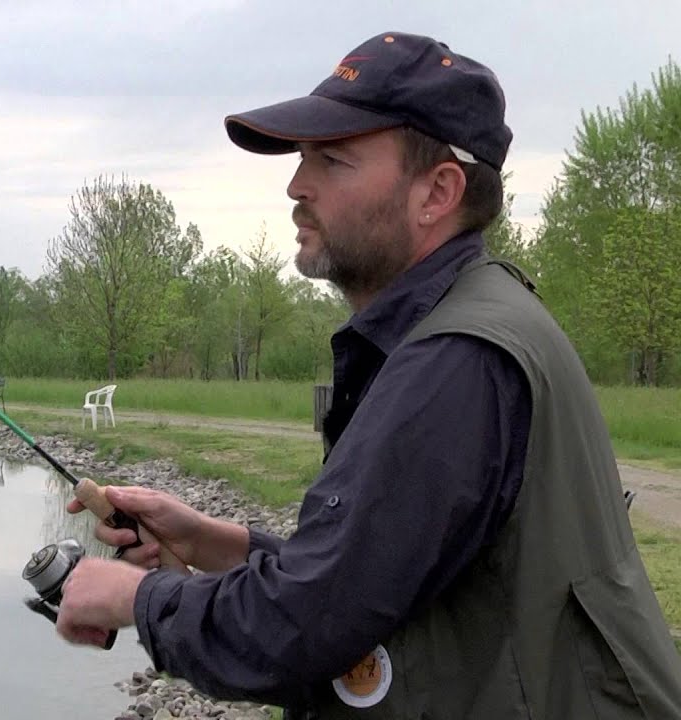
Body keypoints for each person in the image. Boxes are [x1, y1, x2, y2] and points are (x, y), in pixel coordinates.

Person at [55, 31, 681, 719]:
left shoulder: (457, 359)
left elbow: (300, 630)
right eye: (302, 158)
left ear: (436, 192)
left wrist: (130, 598)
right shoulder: (463, 318)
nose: (297, 185)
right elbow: (372, 575)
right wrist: (214, 542)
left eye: (334, 159)